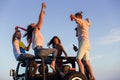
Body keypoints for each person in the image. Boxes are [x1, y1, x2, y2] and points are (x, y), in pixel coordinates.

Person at [24, 2, 58, 72]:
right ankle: (53, 64)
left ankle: (60, 73)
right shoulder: (35, 30)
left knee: (50, 61)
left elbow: (40, 19)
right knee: (55, 50)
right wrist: (42, 9)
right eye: (33, 24)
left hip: (38, 51)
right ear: (32, 27)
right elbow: (40, 19)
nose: (34, 23)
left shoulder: (35, 33)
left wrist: (42, 14)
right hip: (39, 50)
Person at [70, 11, 96, 80]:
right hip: (87, 43)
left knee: (78, 59)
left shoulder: (82, 22)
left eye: (76, 18)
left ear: (79, 17)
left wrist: (74, 17)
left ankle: (83, 76)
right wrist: (77, 29)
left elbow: (78, 20)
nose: (75, 21)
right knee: (86, 62)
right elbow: (77, 35)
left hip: (83, 42)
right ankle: (93, 76)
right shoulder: (84, 24)